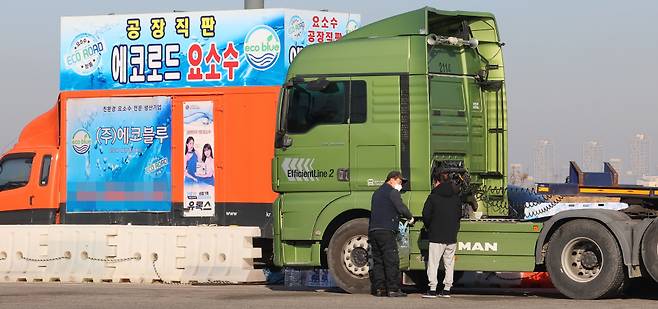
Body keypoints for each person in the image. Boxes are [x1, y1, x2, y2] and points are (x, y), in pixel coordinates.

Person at [368, 170, 414, 297]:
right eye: (399, 182)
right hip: (386, 231)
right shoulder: (392, 192)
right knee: (391, 260)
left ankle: (379, 289)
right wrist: (410, 217)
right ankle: (393, 289)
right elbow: (401, 207)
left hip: (374, 231)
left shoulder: (376, 193)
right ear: (392, 179)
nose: (400, 185)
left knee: (378, 261)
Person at [422, 171, 462, 298]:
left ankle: (432, 289)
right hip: (451, 236)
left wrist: (429, 227)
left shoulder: (433, 197)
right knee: (449, 263)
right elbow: (458, 216)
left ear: (436, 182)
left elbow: (426, 215)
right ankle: (447, 289)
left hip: (436, 235)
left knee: (433, 263)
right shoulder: (456, 198)